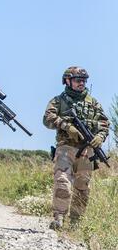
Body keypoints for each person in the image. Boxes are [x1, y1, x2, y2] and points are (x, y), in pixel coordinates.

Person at [43, 66, 109, 230]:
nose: (82, 83)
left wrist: (100, 137)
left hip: (87, 151)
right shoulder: (58, 100)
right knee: (62, 182)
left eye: (84, 81)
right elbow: (47, 119)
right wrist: (66, 126)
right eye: (78, 80)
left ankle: (75, 224)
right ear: (67, 80)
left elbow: (104, 124)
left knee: (82, 188)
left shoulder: (93, 103)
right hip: (66, 147)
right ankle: (58, 218)